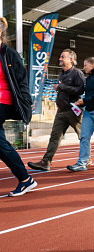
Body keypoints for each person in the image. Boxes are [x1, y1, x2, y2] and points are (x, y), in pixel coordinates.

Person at [28, 49, 85, 171]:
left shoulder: (77, 73)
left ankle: (86, 158)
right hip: (61, 111)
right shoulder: (62, 74)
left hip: (73, 110)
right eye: (60, 56)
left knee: (82, 136)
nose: (60, 59)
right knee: (54, 136)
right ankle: (46, 161)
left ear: (70, 59)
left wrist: (62, 87)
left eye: (62, 57)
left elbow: (81, 90)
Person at [0, 17, 37, 196]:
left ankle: (25, 179)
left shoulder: (9, 53)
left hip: (4, 101)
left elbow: (21, 80)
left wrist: (26, 101)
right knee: (0, 145)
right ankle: (25, 179)